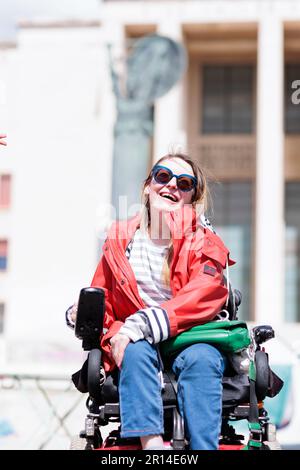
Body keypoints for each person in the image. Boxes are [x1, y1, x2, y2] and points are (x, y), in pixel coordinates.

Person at [66, 153, 235, 450]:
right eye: (163, 176)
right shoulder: (120, 237)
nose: (171, 185)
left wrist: (142, 323)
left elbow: (207, 292)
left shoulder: (202, 239)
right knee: (133, 349)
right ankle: (152, 445)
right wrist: (83, 314)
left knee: (203, 359)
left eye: (184, 183)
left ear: (191, 199)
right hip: (137, 343)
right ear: (147, 186)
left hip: (190, 336)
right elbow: (102, 298)